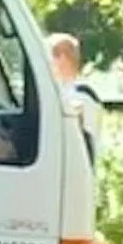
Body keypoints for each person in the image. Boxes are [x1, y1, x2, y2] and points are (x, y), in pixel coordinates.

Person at [47, 32, 102, 162]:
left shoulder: (84, 95)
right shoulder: (56, 91)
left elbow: (88, 143)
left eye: (50, 57)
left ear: (63, 58)